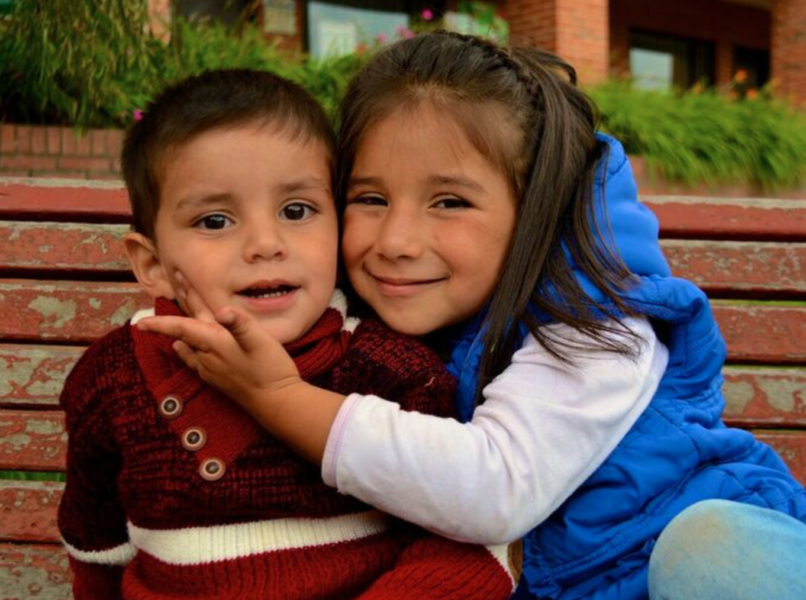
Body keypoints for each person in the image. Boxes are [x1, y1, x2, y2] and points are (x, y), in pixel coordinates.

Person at [139, 34, 806, 600]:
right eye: (370, 198)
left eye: (450, 202)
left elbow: (495, 488)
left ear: (534, 209)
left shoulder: (601, 331)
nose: (396, 240)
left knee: (708, 549)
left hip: (699, 562)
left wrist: (278, 396)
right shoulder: (384, 326)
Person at [56, 68, 518, 600]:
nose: (266, 244)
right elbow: (97, 547)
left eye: (296, 211)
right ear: (153, 263)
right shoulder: (112, 378)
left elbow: (469, 544)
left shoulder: (389, 371)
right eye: (214, 221)